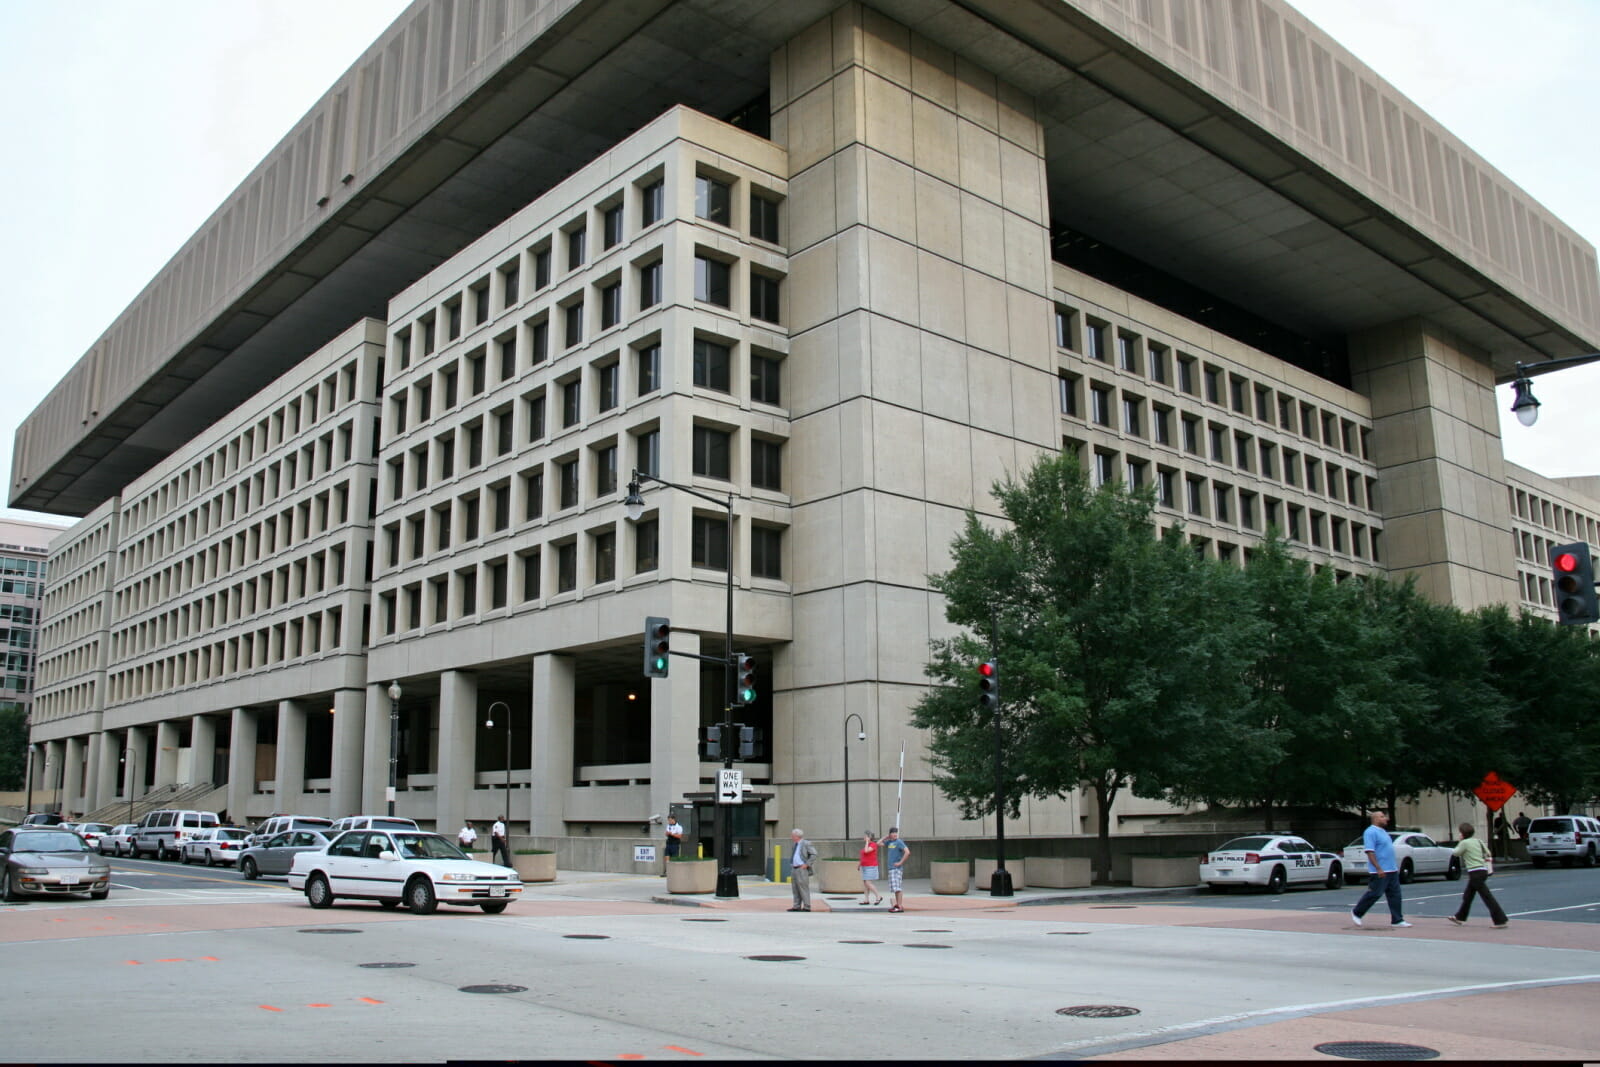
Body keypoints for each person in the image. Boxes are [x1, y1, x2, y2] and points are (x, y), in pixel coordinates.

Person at [1350, 810, 1410, 928]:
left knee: (1395, 895)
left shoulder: (1383, 831)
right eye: (1382, 817)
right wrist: (1378, 868)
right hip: (1380, 870)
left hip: (1391, 869)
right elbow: (1370, 851)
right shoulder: (1370, 832)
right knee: (1375, 893)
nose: (1385, 818)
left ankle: (1397, 920)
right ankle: (1357, 912)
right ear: (1375, 819)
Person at [1448, 822, 1507, 929]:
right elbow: (1488, 853)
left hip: (1475, 872)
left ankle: (1500, 920)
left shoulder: (1464, 843)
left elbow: (1455, 853)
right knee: (1468, 895)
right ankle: (1459, 917)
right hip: (1483, 870)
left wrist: (1460, 842)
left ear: (1462, 833)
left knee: (1487, 896)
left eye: (1460, 833)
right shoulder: (1478, 841)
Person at [787, 828, 817, 912]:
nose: (791, 837)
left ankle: (807, 906)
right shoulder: (794, 844)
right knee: (795, 888)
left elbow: (814, 854)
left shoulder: (806, 843)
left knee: (803, 887)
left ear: (797, 836)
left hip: (802, 868)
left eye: (793, 835)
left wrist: (807, 864)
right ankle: (796, 905)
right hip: (794, 868)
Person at [883, 826, 911, 913]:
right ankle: (897, 904)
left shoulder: (899, 842)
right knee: (895, 888)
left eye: (896, 833)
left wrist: (900, 862)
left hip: (896, 869)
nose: (895, 834)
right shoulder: (890, 842)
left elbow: (907, 852)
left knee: (897, 887)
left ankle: (900, 905)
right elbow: (879, 843)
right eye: (893, 833)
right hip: (891, 868)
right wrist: (885, 837)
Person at [857, 831, 883, 905]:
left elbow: (866, 851)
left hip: (871, 866)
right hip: (864, 866)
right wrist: (859, 864)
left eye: (865, 836)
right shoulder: (867, 845)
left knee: (868, 883)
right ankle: (866, 899)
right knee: (865, 883)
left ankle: (878, 896)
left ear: (869, 837)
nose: (864, 838)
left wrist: (867, 842)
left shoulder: (873, 845)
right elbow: (863, 856)